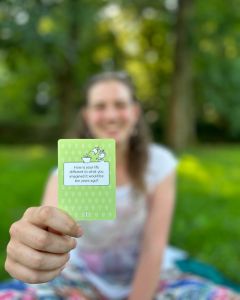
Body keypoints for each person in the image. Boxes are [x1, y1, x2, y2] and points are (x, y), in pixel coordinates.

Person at [3, 71, 239, 300]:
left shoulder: (158, 164)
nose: (112, 115)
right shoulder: (65, 172)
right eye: (100, 106)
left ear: (135, 112)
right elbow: (46, 231)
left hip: (147, 275)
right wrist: (34, 244)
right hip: (80, 276)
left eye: (120, 104)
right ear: (86, 116)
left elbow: (153, 249)